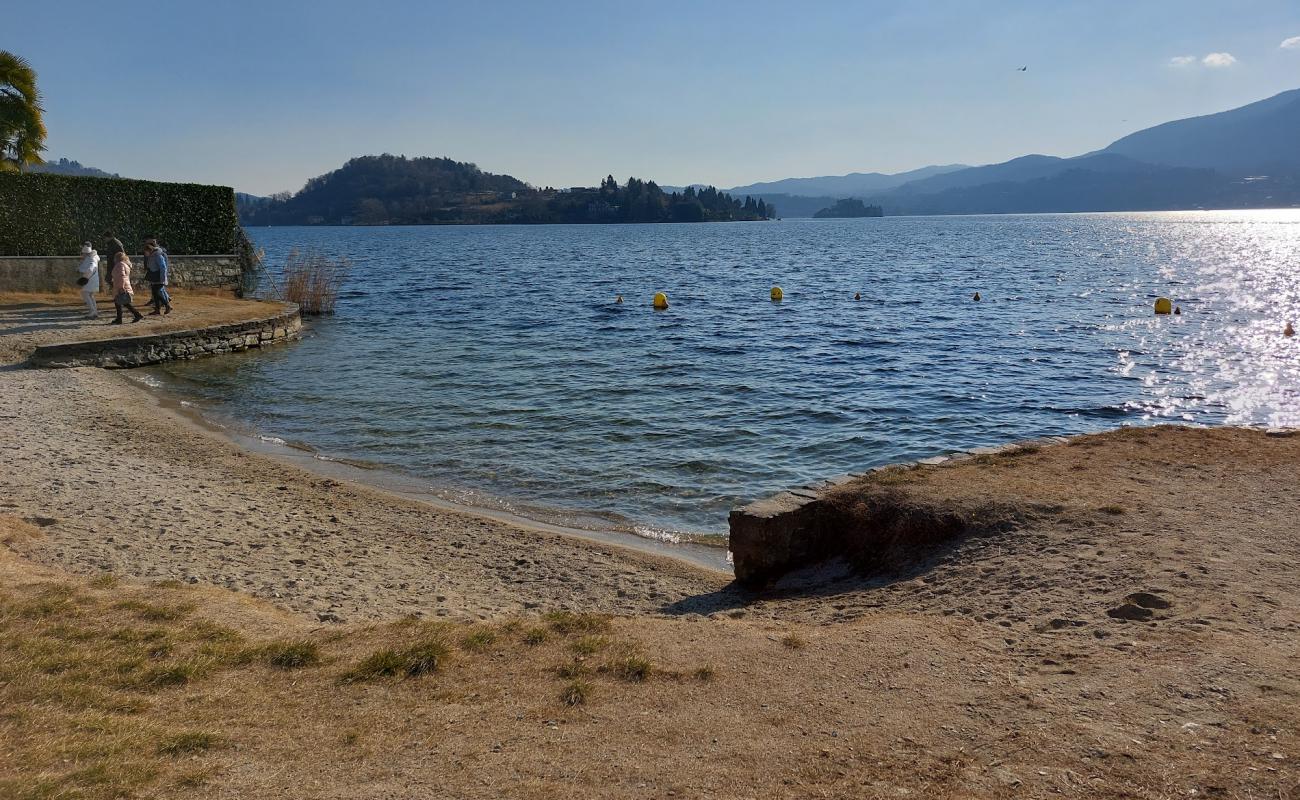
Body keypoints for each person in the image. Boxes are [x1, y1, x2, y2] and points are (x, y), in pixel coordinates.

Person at [110, 252, 144, 324]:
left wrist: (121, 287)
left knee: (122, 303)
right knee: (120, 303)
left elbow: (121, 277)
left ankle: (136, 315)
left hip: (121, 286)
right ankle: (121, 318)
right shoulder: (124, 264)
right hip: (122, 285)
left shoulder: (120, 265)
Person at [143, 238, 172, 315]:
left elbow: (163, 267)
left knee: (157, 293)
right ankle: (157, 309)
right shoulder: (152, 255)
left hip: (159, 277)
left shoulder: (158, 255)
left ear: (149, 250)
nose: (145, 254)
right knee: (155, 294)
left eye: (145, 252)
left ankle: (167, 305)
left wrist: (163, 279)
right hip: (154, 277)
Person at [76, 241, 100, 319]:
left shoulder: (91, 258)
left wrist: (85, 276)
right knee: (90, 295)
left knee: (85, 294)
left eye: (83, 253)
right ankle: (94, 311)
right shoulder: (91, 257)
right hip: (90, 278)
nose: (82, 255)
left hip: (89, 279)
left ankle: (92, 311)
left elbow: (91, 268)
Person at [101, 231, 125, 296]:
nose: (104, 239)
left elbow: (122, 254)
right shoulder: (111, 243)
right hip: (112, 264)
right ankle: (117, 293)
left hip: (115, 264)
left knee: (112, 279)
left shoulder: (116, 243)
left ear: (109, 237)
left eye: (105, 238)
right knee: (109, 279)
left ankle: (120, 293)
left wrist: (119, 264)